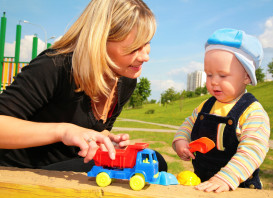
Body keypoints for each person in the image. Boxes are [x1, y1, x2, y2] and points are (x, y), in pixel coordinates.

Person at [0, 0, 167, 172]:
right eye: (134, 48)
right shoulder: (55, 66)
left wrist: (106, 139)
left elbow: (87, 132)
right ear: (100, 40)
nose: (145, 56)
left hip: (67, 167)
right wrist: (62, 131)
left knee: (154, 162)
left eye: (147, 43)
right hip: (18, 172)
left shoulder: (126, 80)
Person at [173, 28, 270, 193]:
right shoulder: (206, 106)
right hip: (204, 184)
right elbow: (188, 125)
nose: (214, 82)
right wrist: (180, 142)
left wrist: (226, 177)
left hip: (238, 188)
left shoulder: (253, 113)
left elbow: (253, 150)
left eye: (223, 75)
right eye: (209, 75)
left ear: (246, 76)